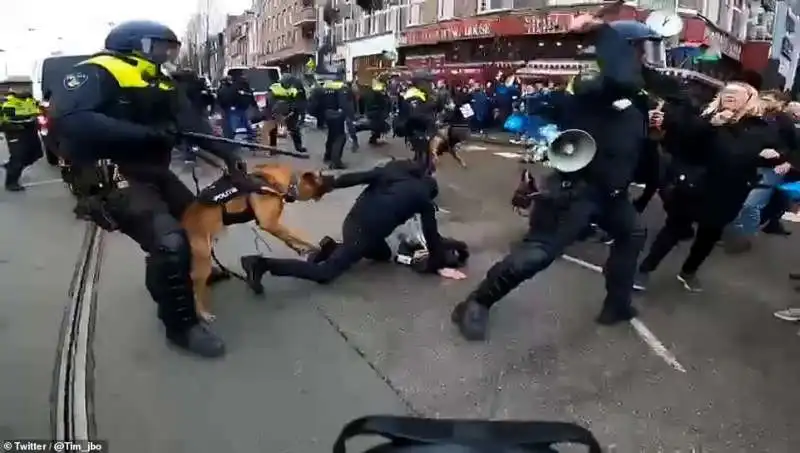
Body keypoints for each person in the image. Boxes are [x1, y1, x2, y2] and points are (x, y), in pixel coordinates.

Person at [451, 10, 667, 341]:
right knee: (538, 254)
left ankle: (618, 303)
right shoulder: (594, 80)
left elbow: (630, 135)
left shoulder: (633, 93)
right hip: (576, 190)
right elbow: (618, 80)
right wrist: (602, 31)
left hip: (611, 192)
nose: (644, 57)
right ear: (621, 50)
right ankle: (476, 303)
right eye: (639, 49)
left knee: (633, 234)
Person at [49, 20, 248, 358]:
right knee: (169, 241)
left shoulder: (161, 80)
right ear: (135, 45)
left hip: (152, 170)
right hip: (111, 176)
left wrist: (230, 156)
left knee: (198, 219)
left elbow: (191, 124)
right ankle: (180, 326)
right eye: (160, 46)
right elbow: (73, 119)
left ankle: (183, 273)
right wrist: (148, 135)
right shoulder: (95, 71)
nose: (167, 53)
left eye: (171, 48)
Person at [633, 82, 787, 292]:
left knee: (709, 236)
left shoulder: (761, 127)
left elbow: (770, 152)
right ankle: (644, 270)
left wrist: (771, 158)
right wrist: (711, 125)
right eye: (727, 92)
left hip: (730, 190)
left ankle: (688, 272)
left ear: (749, 99)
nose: (730, 96)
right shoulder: (704, 118)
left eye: (736, 93)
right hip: (694, 185)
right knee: (673, 229)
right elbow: (680, 143)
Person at [239, 159, 467, 288]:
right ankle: (262, 264)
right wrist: (439, 266)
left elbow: (357, 177)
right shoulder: (424, 201)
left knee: (384, 255)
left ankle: (331, 247)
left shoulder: (393, 172)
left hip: (353, 221)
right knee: (324, 274)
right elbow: (432, 237)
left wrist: (328, 184)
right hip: (362, 236)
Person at [309, 67, 352, 169]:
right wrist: (349, 115)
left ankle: (327, 156)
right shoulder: (340, 86)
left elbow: (315, 102)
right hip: (337, 114)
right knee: (340, 137)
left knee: (332, 136)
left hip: (327, 114)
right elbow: (344, 103)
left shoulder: (325, 86)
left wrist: (319, 115)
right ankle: (336, 161)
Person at [0, 90, 43, 191]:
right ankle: (11, 182)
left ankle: (11, 166)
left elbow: (38, 110)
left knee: (36, 154)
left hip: (30, 130)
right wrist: (6, 127)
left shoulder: (30, 100)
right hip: (14, 131)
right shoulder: (7, 104)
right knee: (18, 157)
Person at [396, 71, 437, 172]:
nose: (431, 85)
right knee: (423, 162)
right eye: (428, 82)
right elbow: (416, 115)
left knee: (424, 158)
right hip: (417, 132)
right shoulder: (413, 96)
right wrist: (431, 123)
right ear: (421, 83)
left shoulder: (423, 95)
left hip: (422, 131)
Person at [265, 74, 307, 153]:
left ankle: (298, 146)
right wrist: (271, 112)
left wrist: (298, 112)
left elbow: (301, 100)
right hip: (278, 110)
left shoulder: (297, 85)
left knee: (294, 129)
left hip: (291, 110)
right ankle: (273, 148)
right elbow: (269, 101)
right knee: (274, 129)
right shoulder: (275, 87)